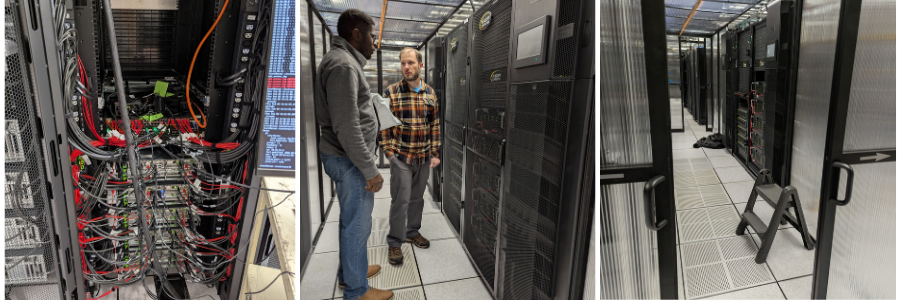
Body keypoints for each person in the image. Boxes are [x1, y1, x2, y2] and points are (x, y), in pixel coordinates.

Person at [315, 9, 393, 300]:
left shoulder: (342, 61)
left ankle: (349, 274)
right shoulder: (344, 65)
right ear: (356, 35)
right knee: (358, 226)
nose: (375, 43)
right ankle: (357, 291)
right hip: (348, 160)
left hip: (344, 157)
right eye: (372, 36)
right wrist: (370, 170)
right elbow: (346, 126)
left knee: (351, 220)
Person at [378, 47, 441, 265]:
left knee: (417, 199)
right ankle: (395, 242)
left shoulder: (430, 93)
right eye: (403, 63)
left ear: (420, 66)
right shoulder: (391, 92)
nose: (406, 67)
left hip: (423, 157)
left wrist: (434, 152)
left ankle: (412, 231)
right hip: (401, 157)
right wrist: (389, 153)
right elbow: (383, 127)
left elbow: (434, 124)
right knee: (400, 201)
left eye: (411, 63)